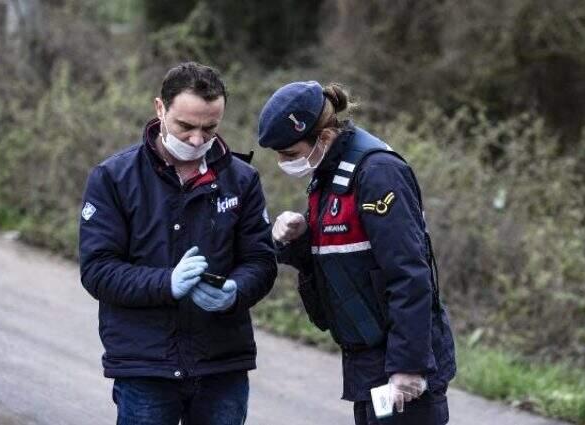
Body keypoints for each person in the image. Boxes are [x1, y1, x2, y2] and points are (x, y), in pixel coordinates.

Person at [79, 62, 277, 425]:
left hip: (222, 366)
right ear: (160, 109)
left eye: (210, 128)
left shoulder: (242, 180)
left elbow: (261, 262)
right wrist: (165, 283)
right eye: (185, 126)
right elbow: (97, 270)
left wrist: (235, 290)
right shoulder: (114, 178)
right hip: (145, 367)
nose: (197, 140)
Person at [257, 81, 456, 425]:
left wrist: (408, 366)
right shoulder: (330, 172)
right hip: (368, 364)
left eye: (289, 154)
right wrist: (302, 235)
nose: (283, 163)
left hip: (399, 367)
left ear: (324, 137)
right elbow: (346, 252)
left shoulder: (377, 172)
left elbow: (408, 272)